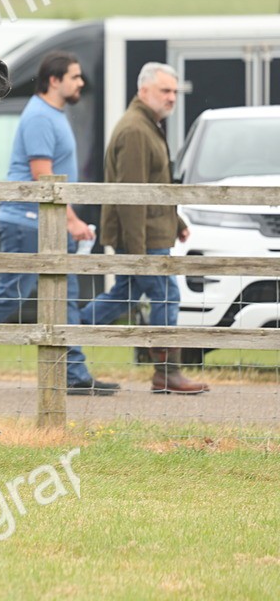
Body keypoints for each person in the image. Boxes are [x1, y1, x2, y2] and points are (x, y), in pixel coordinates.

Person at [0, 52, 120, 396]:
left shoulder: (53, 114)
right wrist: (73, 220)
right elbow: (42, 176)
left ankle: (72, 374)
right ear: (54, 80)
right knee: (10, 294)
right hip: (28, 221)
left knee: (66, 298)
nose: (81, 83)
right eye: (75, 77)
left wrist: (66, 221)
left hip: (49, 222)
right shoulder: (39, 118)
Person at [78, 63, 208, 394]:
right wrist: (136, 254)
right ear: (144, 90)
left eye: (174, 92)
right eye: (165, 91)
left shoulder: (147, 123)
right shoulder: (136, 129)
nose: (171, 98)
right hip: (144, 239)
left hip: (152, 233)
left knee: (125, 294)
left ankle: (67, 340)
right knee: (167, 295)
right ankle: (167, 371)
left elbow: (155, 185)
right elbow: (131, 196)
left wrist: (175, 222)